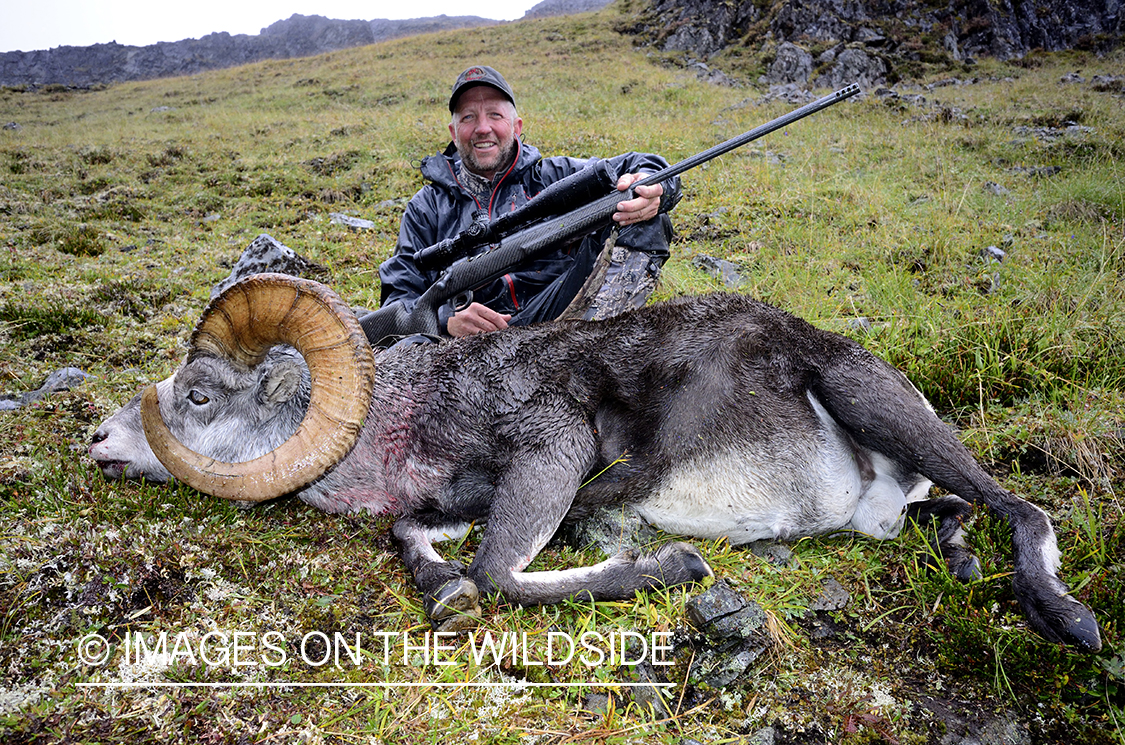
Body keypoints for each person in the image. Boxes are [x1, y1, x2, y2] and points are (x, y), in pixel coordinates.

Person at [378, 65, 681, 337]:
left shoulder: (556, 175)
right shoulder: (425, 208)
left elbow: (642, 164)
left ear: (517, 127)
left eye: (495, 115)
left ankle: (593, 347)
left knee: (641, 215)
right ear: (454, 134)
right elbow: (397, 301)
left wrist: (654, 188)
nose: (483, 128)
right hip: (470, 348)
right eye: (469, 117)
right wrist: (445, 318)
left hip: (561, 320)